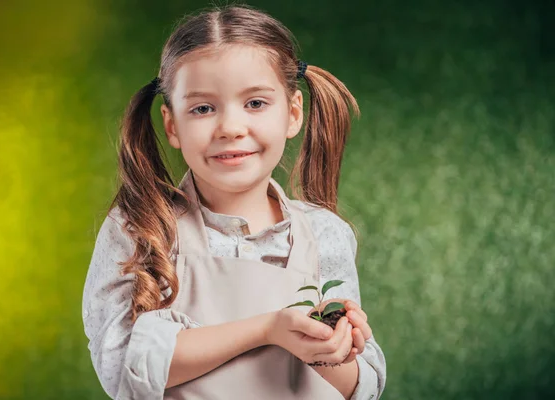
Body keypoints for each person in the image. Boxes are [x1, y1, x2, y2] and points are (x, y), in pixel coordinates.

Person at [82, 4, 386, 400]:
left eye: (256, 103)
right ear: (172, 124)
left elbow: (359, 388)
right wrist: (267, 330)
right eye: (203, 108)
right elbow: (121, 368)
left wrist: (333, 350)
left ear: (293, 113)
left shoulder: (326, 233)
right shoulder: (140, 227)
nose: (230, 128)